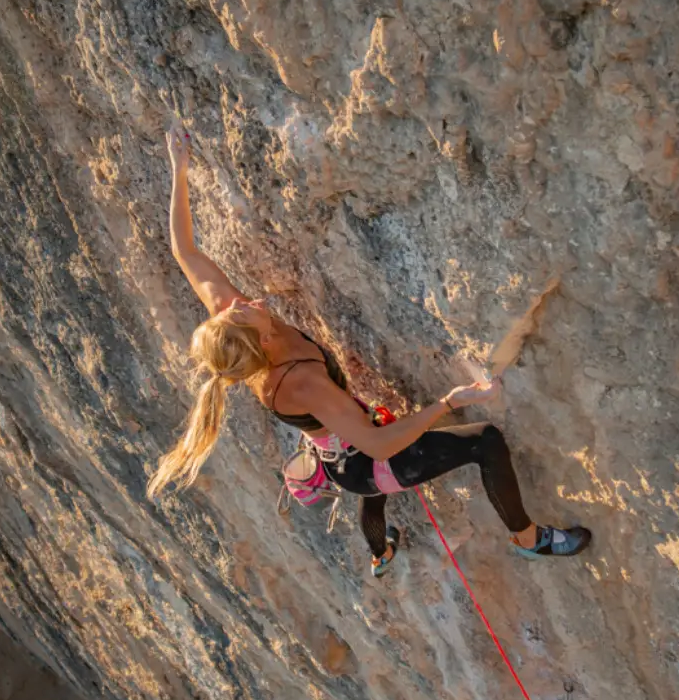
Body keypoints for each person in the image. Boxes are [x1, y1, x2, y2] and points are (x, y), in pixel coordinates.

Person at [148, 124, 591, 576]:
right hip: (365, 461)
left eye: (233, 307)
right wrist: (448, 403)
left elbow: (186, 251)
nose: (245, 300)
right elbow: (380, 446)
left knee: (368, 492)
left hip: (341, 451)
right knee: (483, 443)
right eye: (244, 309)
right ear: (261, 341)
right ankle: (529, 538)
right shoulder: (301, 385)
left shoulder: (239, 330)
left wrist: (178, 170)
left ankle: (381, 554)